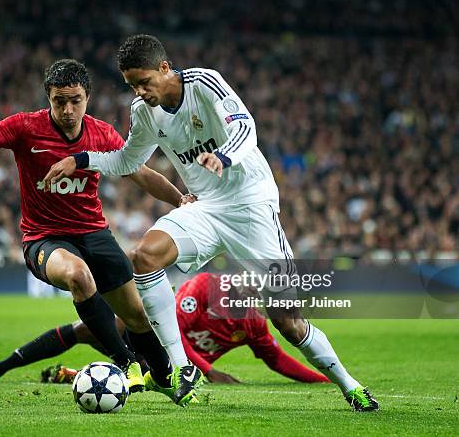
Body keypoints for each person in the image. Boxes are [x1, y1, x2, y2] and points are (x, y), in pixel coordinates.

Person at [42, 36, 379, 411]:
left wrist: (224, 156)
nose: (140, 91)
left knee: (289, 323)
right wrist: (83, 159)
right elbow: (126, 161)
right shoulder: (142, 111)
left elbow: (246, 128)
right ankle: (181, 368)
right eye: (132, 85)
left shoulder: (204, 83)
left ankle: (350, 386)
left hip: (251, 205)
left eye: (145, 82)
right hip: (205, 207)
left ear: (165, 69)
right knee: (144, 257)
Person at [0, 58, 200, 406]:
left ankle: (165, 378)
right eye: (59, 100)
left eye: (75, 100)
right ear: (48, 96)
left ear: (87, 97)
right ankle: (126, 363)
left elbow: (141, 173)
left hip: (95, 235)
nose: (67, 109)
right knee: (78, 276)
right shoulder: (25, 127)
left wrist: (180, 197)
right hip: (44, 238)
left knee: (137, 316)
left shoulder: (101, 133)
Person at [0, 273, 329, 387]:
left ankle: (83, 375)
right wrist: (210, 371)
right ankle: (0, 367)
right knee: (89, 327)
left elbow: (277, 359)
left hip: (173, 371)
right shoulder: (203, 288)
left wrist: (323, 380)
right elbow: (171, 334)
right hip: (160, 350)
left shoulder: (252, 324)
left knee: (146, 374)